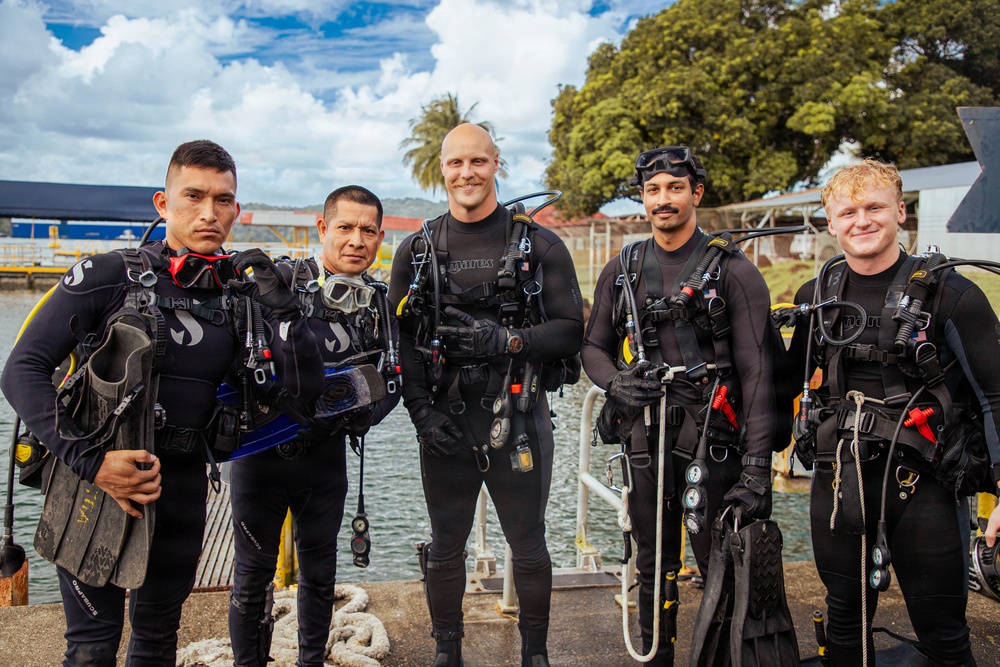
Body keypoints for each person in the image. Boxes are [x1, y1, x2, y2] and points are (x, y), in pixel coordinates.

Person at [0, 140, 322, 666]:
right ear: (162, 203)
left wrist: (285, 310)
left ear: (236, 211)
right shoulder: (110, 275)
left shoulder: (241, 294)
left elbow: (303, 393)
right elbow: (20, 369)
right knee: (91, 648)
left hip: (183, 488)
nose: (208, 212)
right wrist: (93, 462)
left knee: (156, 643)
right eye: (193, 195)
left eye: (223, 200)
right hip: (94, 483)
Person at [783, 158, 1000, 666]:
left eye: (875, 207)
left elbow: (995, 394)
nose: (863, 221)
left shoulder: (952, 295)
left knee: (943, 632)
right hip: (840, 483)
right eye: (849, 211)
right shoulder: (816, 298)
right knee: (844, 626)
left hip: (924, 486)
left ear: (900, 211)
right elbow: (776, 384)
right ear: (831, 223)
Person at [388, 123, 584, 667]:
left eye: (478, 162)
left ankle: (535, 654)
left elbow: (572, 329)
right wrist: (421, 413)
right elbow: (399, 339)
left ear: (496, 164)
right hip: (445, 422)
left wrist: (510, 338)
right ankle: (447, 651)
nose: (466, 173)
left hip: (520, 417)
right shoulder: (417, 250)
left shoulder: (540, 245)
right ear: (443, 171)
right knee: (446, 543)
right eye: (456, 164)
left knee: (528, 544)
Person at [581, 146, 778, 666]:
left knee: (722, 564)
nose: (663, 200)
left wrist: (758, 470)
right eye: (653, 190)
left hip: (714, 441)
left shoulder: (735, 272)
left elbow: (758, 373)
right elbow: (592, 347)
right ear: (642, 199)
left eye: (674, 188)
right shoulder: (622, 268)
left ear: (696, 193)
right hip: (647, 440)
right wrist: (615, 383)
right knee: (650, 562)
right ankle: (656, 655)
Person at [228, 185, 400, 667]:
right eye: (345, 227)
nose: (356, 240)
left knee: (320, 574)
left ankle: (310, 662)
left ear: (380, 237)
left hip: (325, 460)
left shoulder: (378, 304)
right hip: (262, 457)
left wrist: (365, 413)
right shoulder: (279, 283)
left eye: (368, 231)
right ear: (323, 229)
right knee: (252, 575)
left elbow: (395, 378)